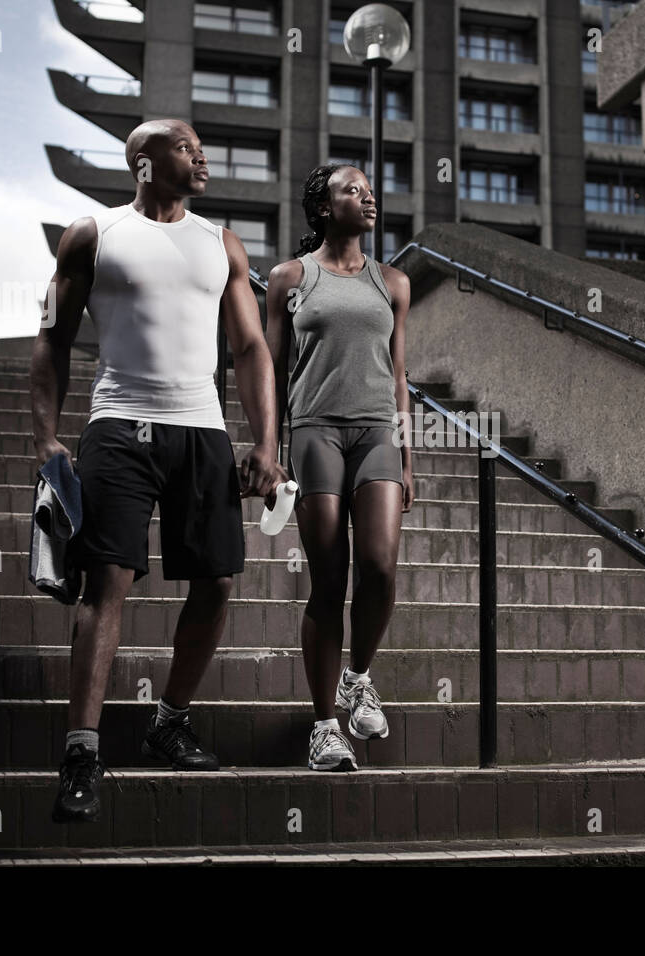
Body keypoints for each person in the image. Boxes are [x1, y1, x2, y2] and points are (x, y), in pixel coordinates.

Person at [30, 118, 289, 822]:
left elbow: (250, 348)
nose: (202, 157)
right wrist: (45, 435)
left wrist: (266, 442)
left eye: (202, 147)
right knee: (105, 580)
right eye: (185, 147)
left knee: (218, 582)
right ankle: (81, 752)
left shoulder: (221, 243)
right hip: (118, 425)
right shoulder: (92, 234)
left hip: (202, 429)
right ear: (143, 161)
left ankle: (168, 722)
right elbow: (52, 335)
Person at [265, 164, 413, 772]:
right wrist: (270, 451)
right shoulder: (289, 278)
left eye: (370, 189)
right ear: (324, 207)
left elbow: (399, 374)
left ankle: (358, 679)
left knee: (378, 567)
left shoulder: (394, 282)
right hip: (314, 430)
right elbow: (272, 371)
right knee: (329, 579)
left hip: (377, 431)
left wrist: (407, 455)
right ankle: (325, 726)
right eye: (354, 189)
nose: (368, 196)